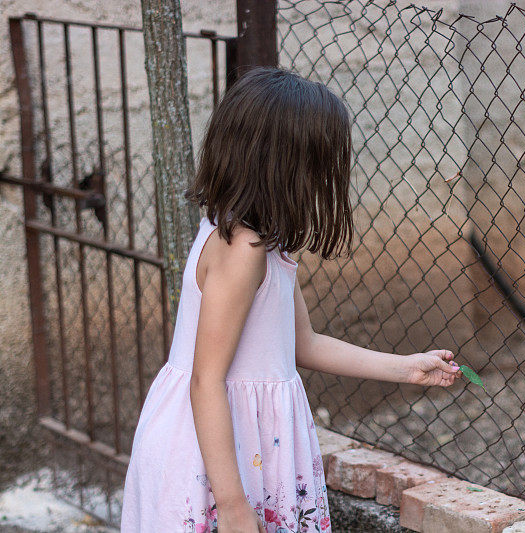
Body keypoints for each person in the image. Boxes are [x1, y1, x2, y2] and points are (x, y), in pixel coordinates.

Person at [120, 67, 461, 533]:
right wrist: (235, 507)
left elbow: (305, 343)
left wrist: (405, 367)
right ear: (287, 165)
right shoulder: (243, 252)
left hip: (245, 448)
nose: (326, 177)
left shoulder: (264, 243)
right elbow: (206, 380)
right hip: (218, 463)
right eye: (321, 163)